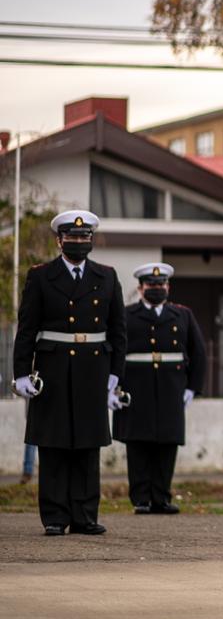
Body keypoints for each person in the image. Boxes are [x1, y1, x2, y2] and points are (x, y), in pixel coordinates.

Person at [10, 210, 126, 536]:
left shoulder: (107, 276)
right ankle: (55, 517)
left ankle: (85, 516)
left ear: (91, 240)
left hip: (93, 369)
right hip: (53, 369)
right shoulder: (41, 276)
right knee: (53, 445)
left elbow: (118, 331)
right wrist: (21, 373)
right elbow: (27, 329)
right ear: (59, 240)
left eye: (84, 237)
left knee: (88, 446)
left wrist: (116, 374)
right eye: (72, 237)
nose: (78, 242)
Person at [113, 262, 208, 515]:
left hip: (170, 387)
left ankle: (161, 497)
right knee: (138, 444)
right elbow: (114, 351)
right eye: (151, 285)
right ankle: (141, 498)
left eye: (161, 284)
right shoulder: (126, 314)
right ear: (141, 288)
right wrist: (113, 386)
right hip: (136, 385)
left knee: (167, 444)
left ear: (168, 286)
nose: (157, 288)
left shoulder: (182, 315)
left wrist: (193, 388)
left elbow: (198, 352)